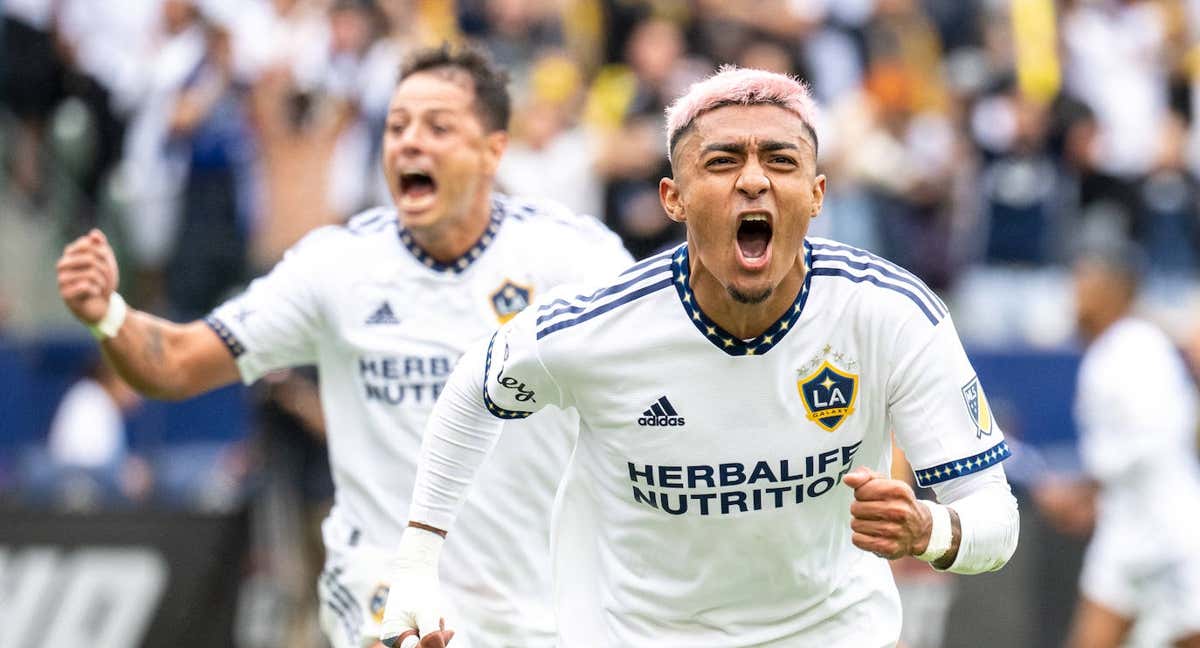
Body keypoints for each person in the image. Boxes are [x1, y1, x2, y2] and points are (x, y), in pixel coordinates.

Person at [380, 67, 1020, 648]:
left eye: (780, 160)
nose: (752, 179)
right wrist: (416, 564)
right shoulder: (603, 325)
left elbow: (997, 519)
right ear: (673, 199)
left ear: (818, 192)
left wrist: (931, 532)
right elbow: (476, 385)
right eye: (721, 162)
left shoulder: (893, 314)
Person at [55, 44, 632, 648]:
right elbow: (174, 363)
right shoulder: (337, 267)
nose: (410, 142)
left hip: (539, 605)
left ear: (493, 151)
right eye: (396, 126)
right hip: (380, 588)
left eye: (439, 127)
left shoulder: (575, 260)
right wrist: (108, 314)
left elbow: (650, 394)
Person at [1036, 247, 1200, 648]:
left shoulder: (1137, 346)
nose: (1073, 294)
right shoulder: (1111, 349)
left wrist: (1082, 490)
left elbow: (1157, 437)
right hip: (1124, 530)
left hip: (1170, 533)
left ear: (1113, 290)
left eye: (1083, 282)